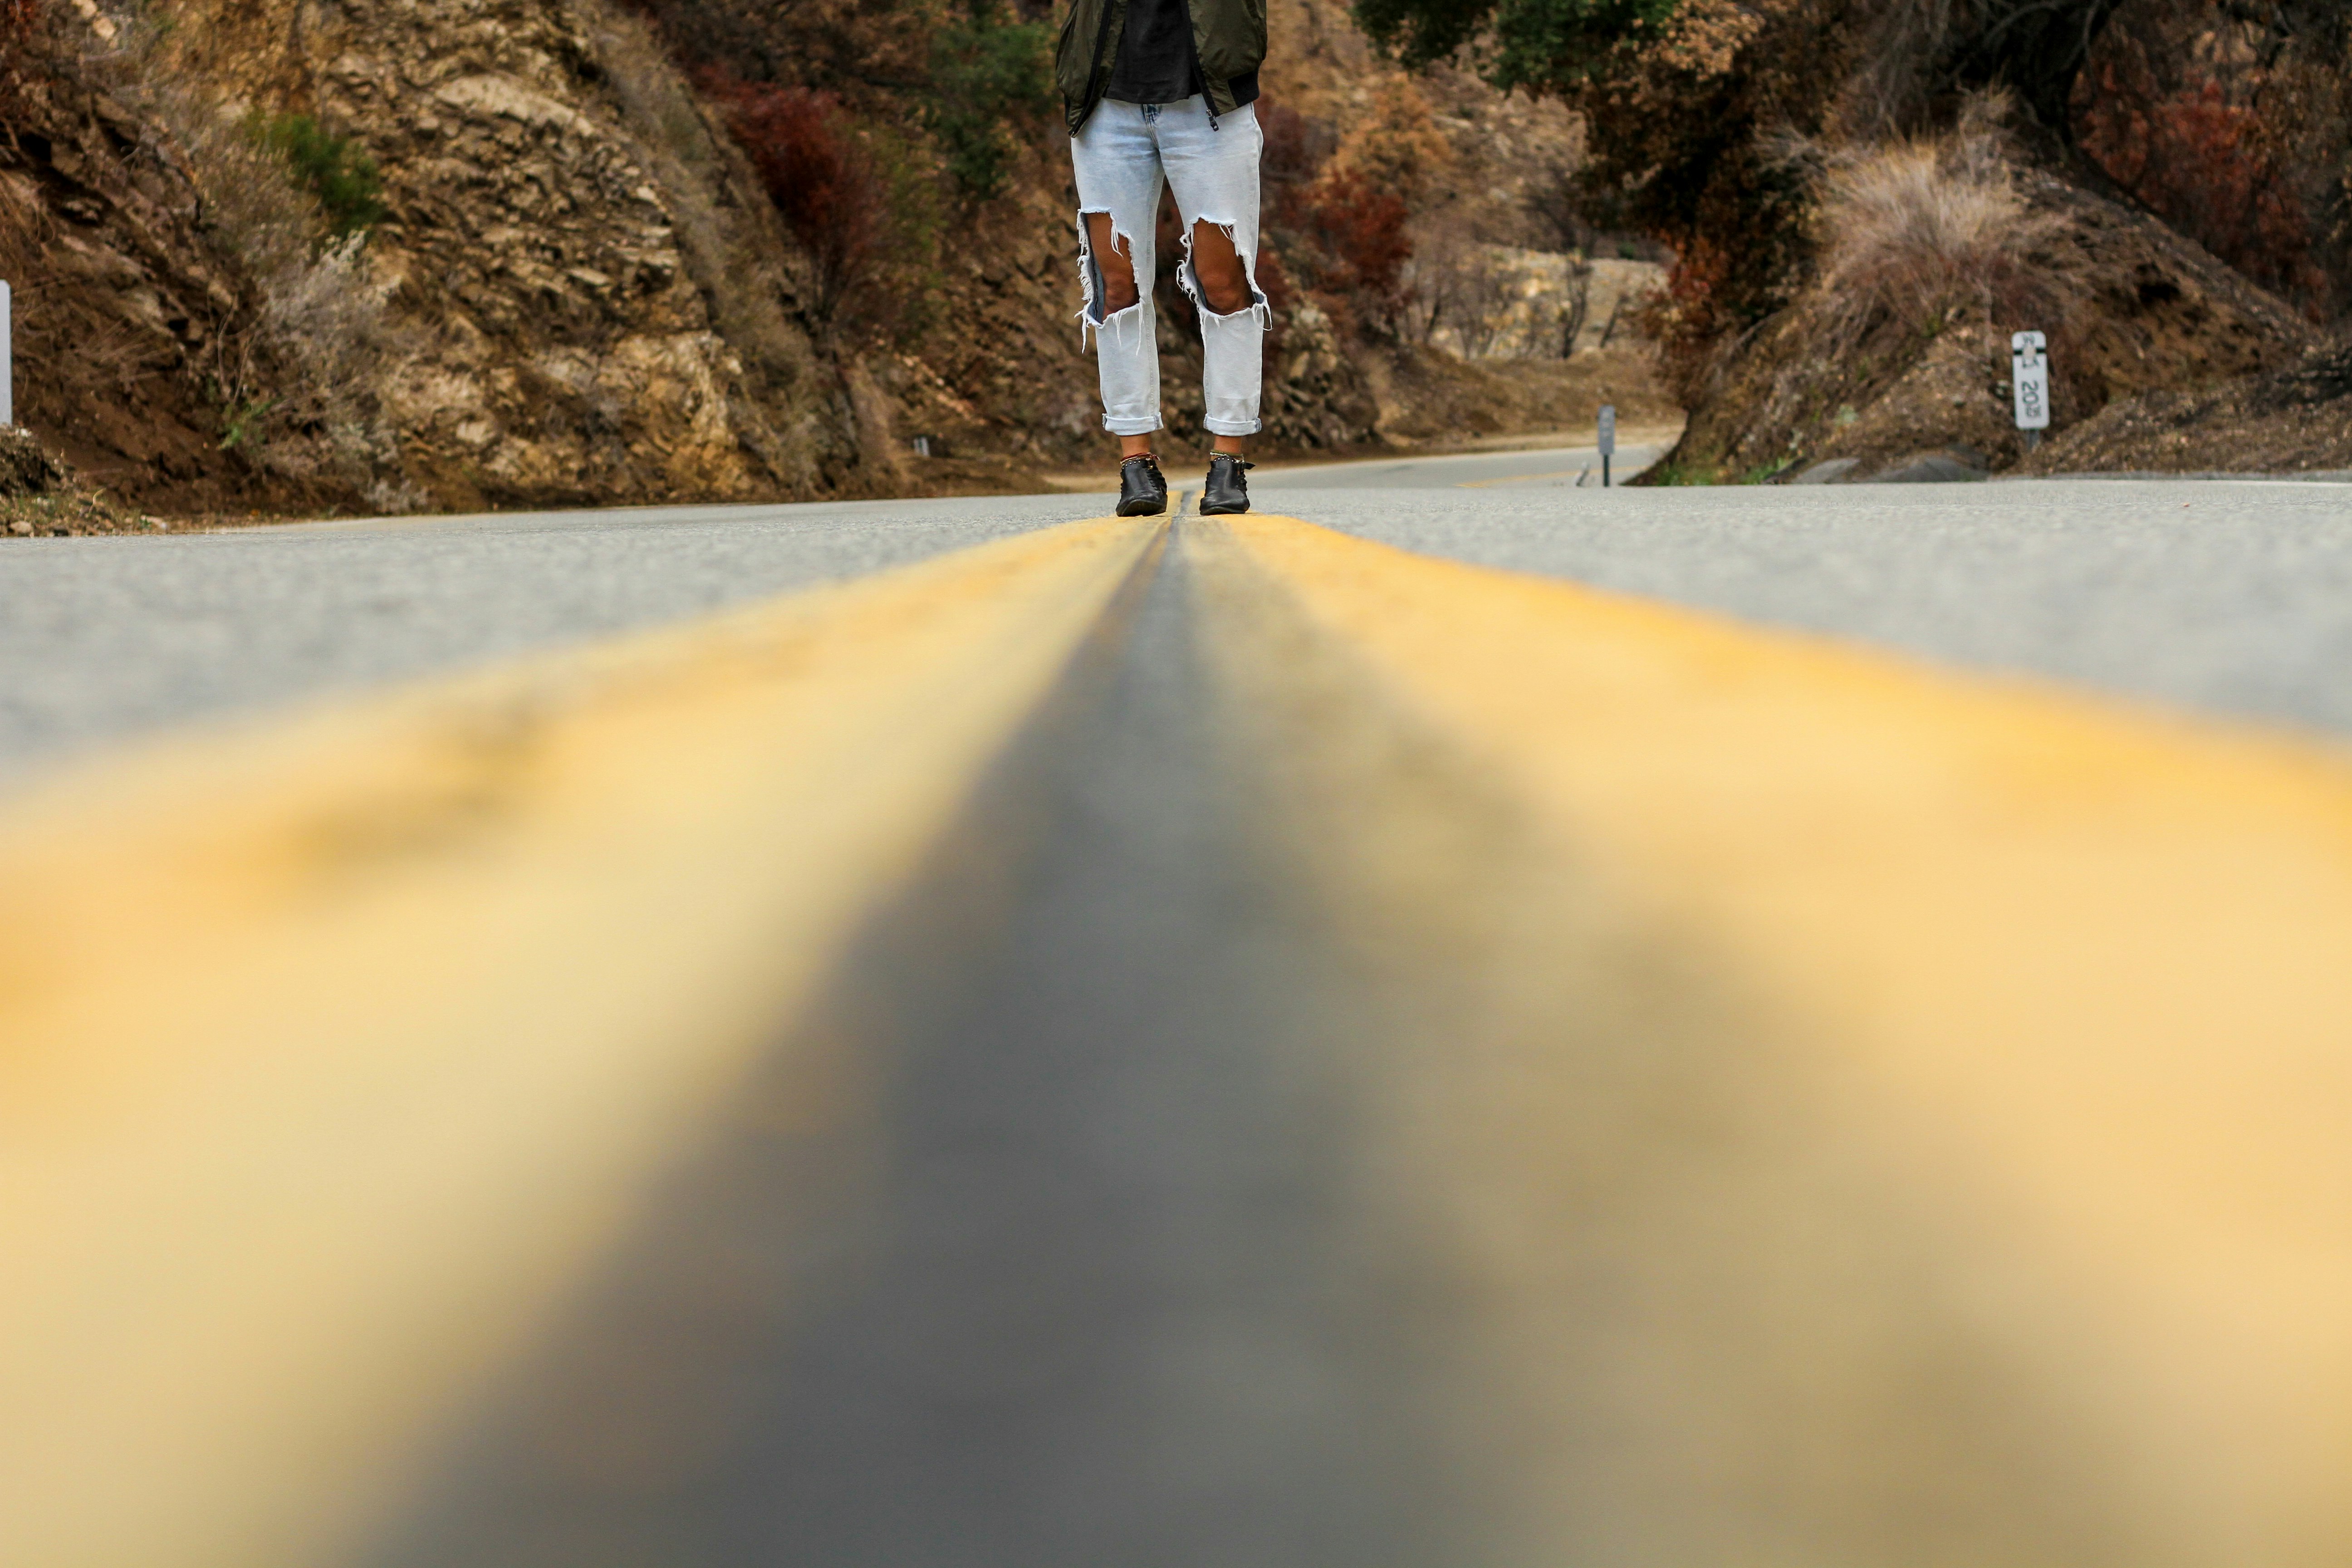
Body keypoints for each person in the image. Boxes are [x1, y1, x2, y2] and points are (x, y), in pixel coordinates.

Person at [1055, 0, 1268, 516]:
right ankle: (1136, 463)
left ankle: (1228, 460)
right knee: (1116, 285)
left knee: (1225, 283)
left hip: (1209, 105)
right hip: (1106, 107)